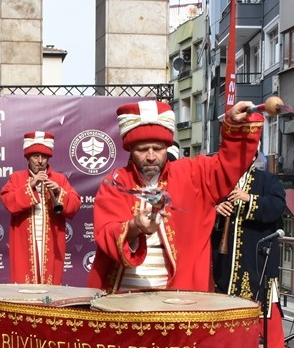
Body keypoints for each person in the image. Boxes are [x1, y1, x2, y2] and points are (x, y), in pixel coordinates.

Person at [88, 99, 263, 292]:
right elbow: (105, 232)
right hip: (122, 293)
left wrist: (236, 127)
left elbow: (228, 165)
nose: (151, 156)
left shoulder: (193, 173)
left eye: (159, 148)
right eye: (142, 149)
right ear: (130, 150)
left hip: (179, 294)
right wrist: (134, 226)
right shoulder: (116, 182)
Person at [212, 153, 289, 348]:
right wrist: (216, 210)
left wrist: (249, 200)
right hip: (225, 257)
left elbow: (277, 205)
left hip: (257, 254)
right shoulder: (219, 180)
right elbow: (202, 205)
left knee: (266, 304)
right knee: (227, 305)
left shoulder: (266, 179)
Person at [0, 131, 81, 284]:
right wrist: (30, 184)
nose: (40, 161)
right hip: (23, 240)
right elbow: (8, 200)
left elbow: (75, 204)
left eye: (44, 157)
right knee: (24, 281)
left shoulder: (59, 179)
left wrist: (59, 191)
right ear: (28, 158)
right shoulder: (16, 178)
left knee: (50, 281)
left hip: (51, 239)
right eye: (35, 156)